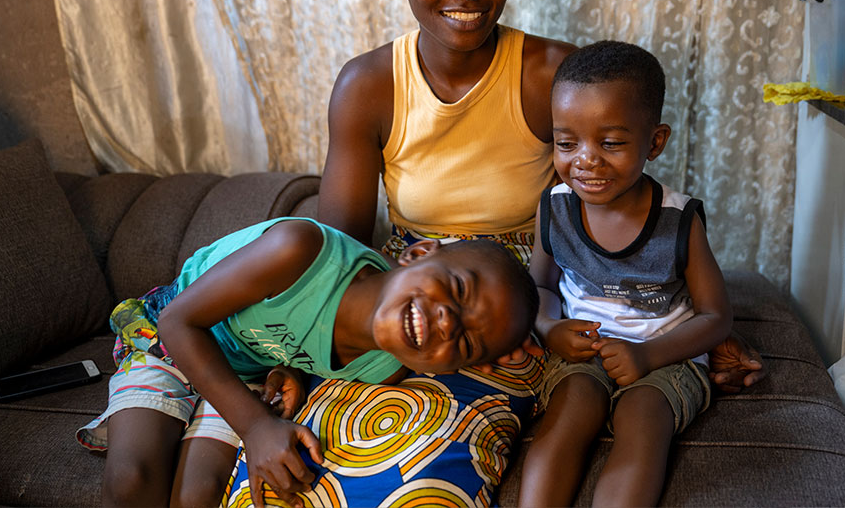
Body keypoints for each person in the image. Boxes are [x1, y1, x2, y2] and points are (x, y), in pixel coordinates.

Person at [317, 0, 763, 387]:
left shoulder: (553, 75)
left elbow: (619, 201)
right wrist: (300, 351)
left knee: (453, 436)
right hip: (416, 287)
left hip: (526, 294)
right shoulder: (367, 86)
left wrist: (687, 332)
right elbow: (334, 248)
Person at [76, 217, 538, 508]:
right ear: (417, 254)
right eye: (457, 290)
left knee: (197, 495)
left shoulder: (386, 367)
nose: (447, 323)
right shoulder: (300, 251)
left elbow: (307, 343)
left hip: (249, 373)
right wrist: (256, 427)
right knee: (132, 481)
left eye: (468, 343)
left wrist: (292, 372)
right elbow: (180, 322)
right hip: (169, 337)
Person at [518, 41, 732, 507]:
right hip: (584, 352)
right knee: (570, 412)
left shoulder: (680, 221)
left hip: (665, 354)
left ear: (655, 142)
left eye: (610, 143)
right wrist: (550, 327)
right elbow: (539, 285)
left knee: (644, 419)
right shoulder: (554, 209)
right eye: (566, 143)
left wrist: (648, 355)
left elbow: (716, 316)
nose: (586, 160)